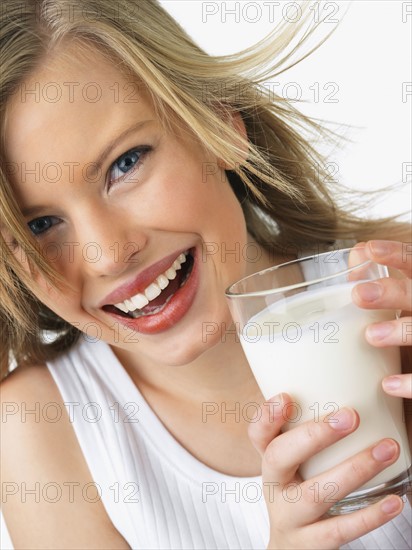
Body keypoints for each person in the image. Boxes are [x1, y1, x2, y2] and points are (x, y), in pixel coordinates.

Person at [0, 0, 410, 548]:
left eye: (126, 163)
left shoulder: (397, 285)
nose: (107, 254)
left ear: (219, 122)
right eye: (41, 223)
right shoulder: (41, 428)